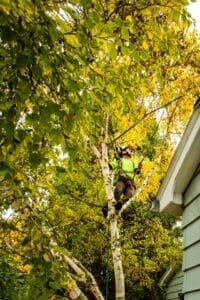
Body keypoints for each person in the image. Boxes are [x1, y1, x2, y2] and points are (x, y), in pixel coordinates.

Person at [102, 146, 142, 217]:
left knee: (130, 194)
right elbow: (110, 165)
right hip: (122, 180)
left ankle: (120, 203)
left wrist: (139, 168)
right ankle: (106, 206)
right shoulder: (119, 160)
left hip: (130, 182)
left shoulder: (133, 163)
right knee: (117, 191)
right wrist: (114, 157)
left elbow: (137, 171)